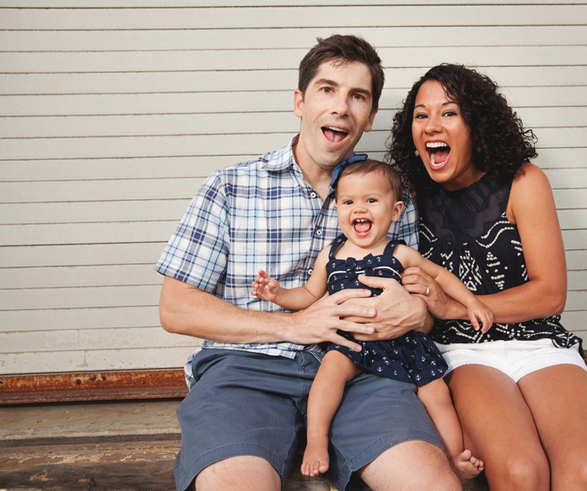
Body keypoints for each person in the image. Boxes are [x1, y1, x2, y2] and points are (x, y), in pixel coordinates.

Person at [156, 36, 463, 491]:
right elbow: (176, 309)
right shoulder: (230, 187)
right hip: (248, 374)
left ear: (369, 116)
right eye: (327, 89)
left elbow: (420, 299)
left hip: (370, 368)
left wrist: (418, 313)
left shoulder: (390, 196)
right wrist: (293, 324)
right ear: (300, 101)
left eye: (357, 96)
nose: (341, 106)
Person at [388, 63, 587, 491]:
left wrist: (454, 305)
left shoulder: (524, 182)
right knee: (521, 472)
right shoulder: (407, 196)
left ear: (477, 123)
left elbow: (550, 295)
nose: (432, 124)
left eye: (449, 112)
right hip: (462, 352)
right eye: (421, 114)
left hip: (540, 342)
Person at [251, 158, 491, 480]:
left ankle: (454, 457)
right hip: (351, 340)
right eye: (348, 201)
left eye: (371, 200)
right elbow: (309, 296)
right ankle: (317, 440)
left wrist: (471, 302)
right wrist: (278, 295)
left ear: (395, 211)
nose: (359, 209)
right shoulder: (331, 254)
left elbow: (442, 276)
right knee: (329, 372)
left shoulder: (399, 253)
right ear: (337, 208)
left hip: (404, 342)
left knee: (437, 393)